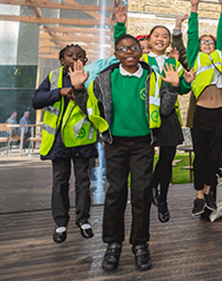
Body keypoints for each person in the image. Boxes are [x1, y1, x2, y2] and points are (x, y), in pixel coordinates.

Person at [71, 34, 180, 272]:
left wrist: (172, 87)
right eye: (122, 48)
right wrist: (79, 89)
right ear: (116, 53)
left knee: (141, 194)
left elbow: (164, 109)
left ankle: (140, 245)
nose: (128, 52)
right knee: (116, 193)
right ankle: (113, 245)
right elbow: (90, 110)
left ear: (141, 52)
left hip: (143, 144)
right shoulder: (104, 78)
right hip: (115, 144)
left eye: (133, 48)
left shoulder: (153, 77)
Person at [113, 5, 188, 224]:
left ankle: (161, 197)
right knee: (144, 161)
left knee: (167, 159)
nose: (161, 39)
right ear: (151, 39)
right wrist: (120, 24)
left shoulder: (174, 61)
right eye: (157, 35)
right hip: (146, 117)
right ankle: (146, 195)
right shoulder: (142, 61)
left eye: (165, 36)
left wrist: (187, 82)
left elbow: (181, 89)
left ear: (168, 42)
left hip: (169, 117)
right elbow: (120, 49)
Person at [31, 44, 98, 244]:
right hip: (59, 141)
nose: (74, 59)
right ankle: (60, 223)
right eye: (70, 55)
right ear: (62, 60)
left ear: (85, 61)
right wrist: (60, 91)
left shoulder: (91, 77)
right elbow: (36, 101)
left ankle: (83, 220)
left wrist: (79, 92)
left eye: (79, 56)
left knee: (83, 182)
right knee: (60, 182)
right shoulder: (52, 78)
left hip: (83, 140)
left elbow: (96, 107)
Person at [181, 0, 222, 218]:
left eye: (211, 42)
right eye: (204, 42)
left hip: (219, 112)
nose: (207, 44)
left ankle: (208, 193)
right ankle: (199, 196)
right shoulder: (194, 58)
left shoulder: (221, 58)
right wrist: (194, 8)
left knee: (214, 158)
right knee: (200, 156)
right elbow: (192, 34)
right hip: (201, 113)